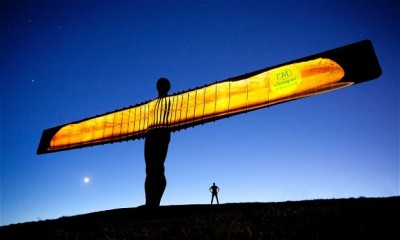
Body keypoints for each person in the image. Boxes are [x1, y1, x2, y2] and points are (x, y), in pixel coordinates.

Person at [144, 78, 171, 207]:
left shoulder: (173, 101)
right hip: (150, 135)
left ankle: (155, 203)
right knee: (150, 169)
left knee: (158, 167)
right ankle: (150, 202)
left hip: (162, 135)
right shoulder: (150, 105)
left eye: (163, 85)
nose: (161, 87)